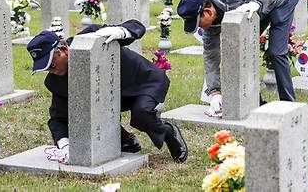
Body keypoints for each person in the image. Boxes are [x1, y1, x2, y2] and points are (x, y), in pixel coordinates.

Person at [27, 20, 188, 163]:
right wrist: (64, 144)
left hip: (142, 82)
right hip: (109, 94)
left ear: (64, 50)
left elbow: (136, 26)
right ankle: (125, 140)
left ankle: (168, 132)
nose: (51, 71)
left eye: (52, 65)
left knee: (142, 114)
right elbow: (58, 117)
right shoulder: (55, 81)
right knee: (84, 113)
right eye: (46, 69)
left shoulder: (91, 36)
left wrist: (121, 32)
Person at [177, 0, 299, 118]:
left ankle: (290, 105)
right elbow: (211, 59)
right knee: (239, 52)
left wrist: (257, 1)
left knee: (276, 52)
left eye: (198, 23)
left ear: (208, 12)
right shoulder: (210, 29)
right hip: (255, 14)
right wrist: (215, 92)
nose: (200, 28)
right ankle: (255, 103)